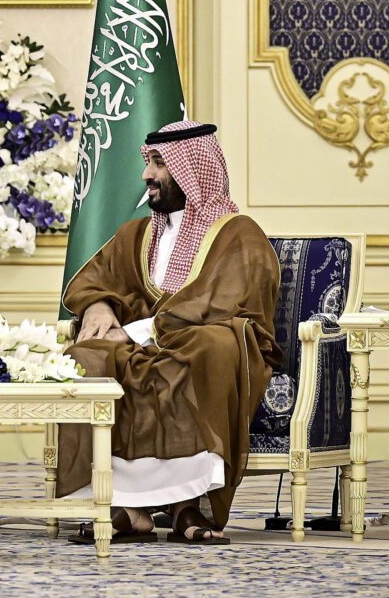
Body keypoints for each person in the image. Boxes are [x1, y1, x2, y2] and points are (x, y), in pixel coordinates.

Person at [58, 120, 281, 545]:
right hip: (144, 350)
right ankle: (129, 506)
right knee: (88, 355)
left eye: (159, 163)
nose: (147, 175)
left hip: (199, 348)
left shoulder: (239, 234)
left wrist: (140, 332)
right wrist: (100, 304)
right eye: (149, 162)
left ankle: (186, 507)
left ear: (192, 169)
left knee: (208, 345)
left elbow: (224, 302)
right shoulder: (137, 234)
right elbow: (94, 278)